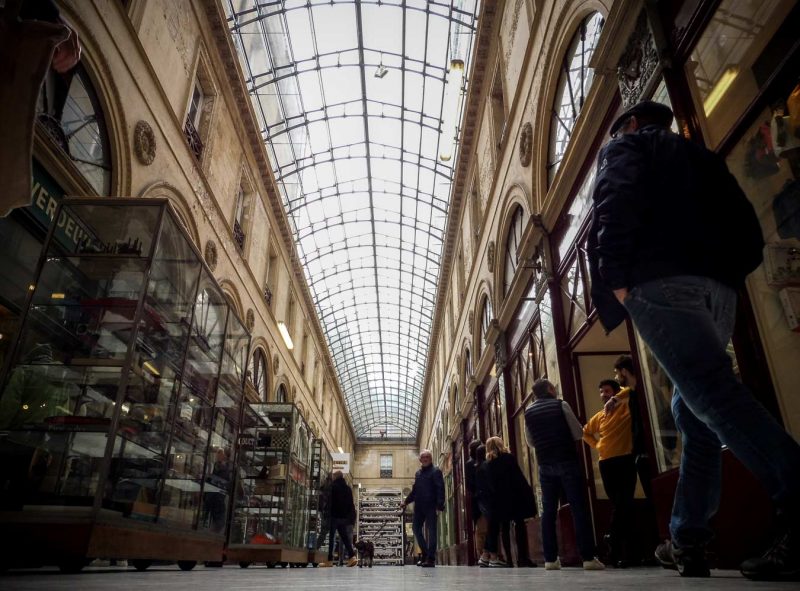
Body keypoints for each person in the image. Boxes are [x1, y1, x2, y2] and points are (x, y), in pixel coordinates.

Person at [588, 99, 800, 580]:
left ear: (633, 125)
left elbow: (614, 203)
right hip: (718, 289)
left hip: (658, 282)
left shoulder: (626, 149)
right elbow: (748, 225)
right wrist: (727, 274)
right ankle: (687, 538)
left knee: (712, 393)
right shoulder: (700, 156)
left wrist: (616, 278)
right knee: (690, 405)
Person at [525, 378, 605, 571]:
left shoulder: (529, 413)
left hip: (545, 464)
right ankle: (587, 557)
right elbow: (578, 432)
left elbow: (530, 441)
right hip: (567, 460)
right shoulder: (561, 404)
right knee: (578, 507)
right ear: (550, 389)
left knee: (548, 512)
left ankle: (550, 559)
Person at [583, 379, 636, 567]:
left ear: (614, 392)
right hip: (606, 463)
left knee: (623, 503)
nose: (603, 394)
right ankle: (622, 552)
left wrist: (615, 398)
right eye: (601, 392)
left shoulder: (624, 408)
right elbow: (585, 432)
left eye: (606, 391)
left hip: (624, 459)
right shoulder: (599, 416)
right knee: (619, 504)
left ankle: (613, 541)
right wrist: (597, 445)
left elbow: (631, 389)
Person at [478, 436, 537, 568]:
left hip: (498, 502)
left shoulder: (487, 465)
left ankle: (509, 560)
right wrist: (527, 494)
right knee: (519, 526)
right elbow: (518, 478)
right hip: (514, 498)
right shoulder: (508, 458)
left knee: (504, 528)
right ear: (500, 445)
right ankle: (522, 558)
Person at [400, 449, 445, 567]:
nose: (425, 459)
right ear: (420, 460)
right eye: (423, 457)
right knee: (415, 529)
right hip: (419, 507)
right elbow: (415, 491)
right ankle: (425, 553)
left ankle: (431, 559)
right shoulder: (418, 474)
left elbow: (440, 488)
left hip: (431, 506)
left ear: (431, 459)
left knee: (432, 532)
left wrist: (440, 504)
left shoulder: (436, 472)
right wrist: (406, 501)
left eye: (427, 457)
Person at [319, 471, 358, 567]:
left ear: (335, 477)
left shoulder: (333, 487)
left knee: (332, 538)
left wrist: (326, 512)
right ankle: (352, 556)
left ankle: (329, 560)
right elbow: (350, 504)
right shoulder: (348, 489)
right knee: (344, 537)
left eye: (333, 476)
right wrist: (348, 517)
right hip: (343, 517)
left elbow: (328, 499)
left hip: (334, 515)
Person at [464, 439, 484, 563]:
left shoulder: (471, 463)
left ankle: (483, 554)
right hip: (479, 499)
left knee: (481, 528)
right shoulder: (473, 464)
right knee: (481, 528)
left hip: (477, 499)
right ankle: (482, 554)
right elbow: (470, 484)